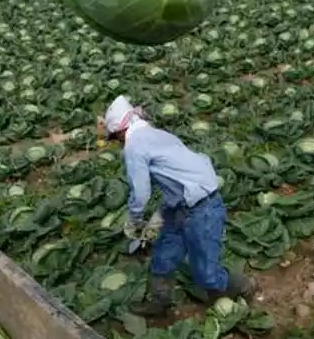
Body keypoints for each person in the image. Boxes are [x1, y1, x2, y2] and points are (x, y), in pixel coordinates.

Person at [99, 95, 254, 316]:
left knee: (206, 274)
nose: (118, 144)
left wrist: (134, 221)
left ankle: (241, 286)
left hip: (202, 207)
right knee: (164, 254)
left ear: (121, 132)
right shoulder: (155, 133)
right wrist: (152, 228)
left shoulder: (134, 145)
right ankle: (160, 302)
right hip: (179, 204)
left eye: (115, 139)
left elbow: (141, 193)